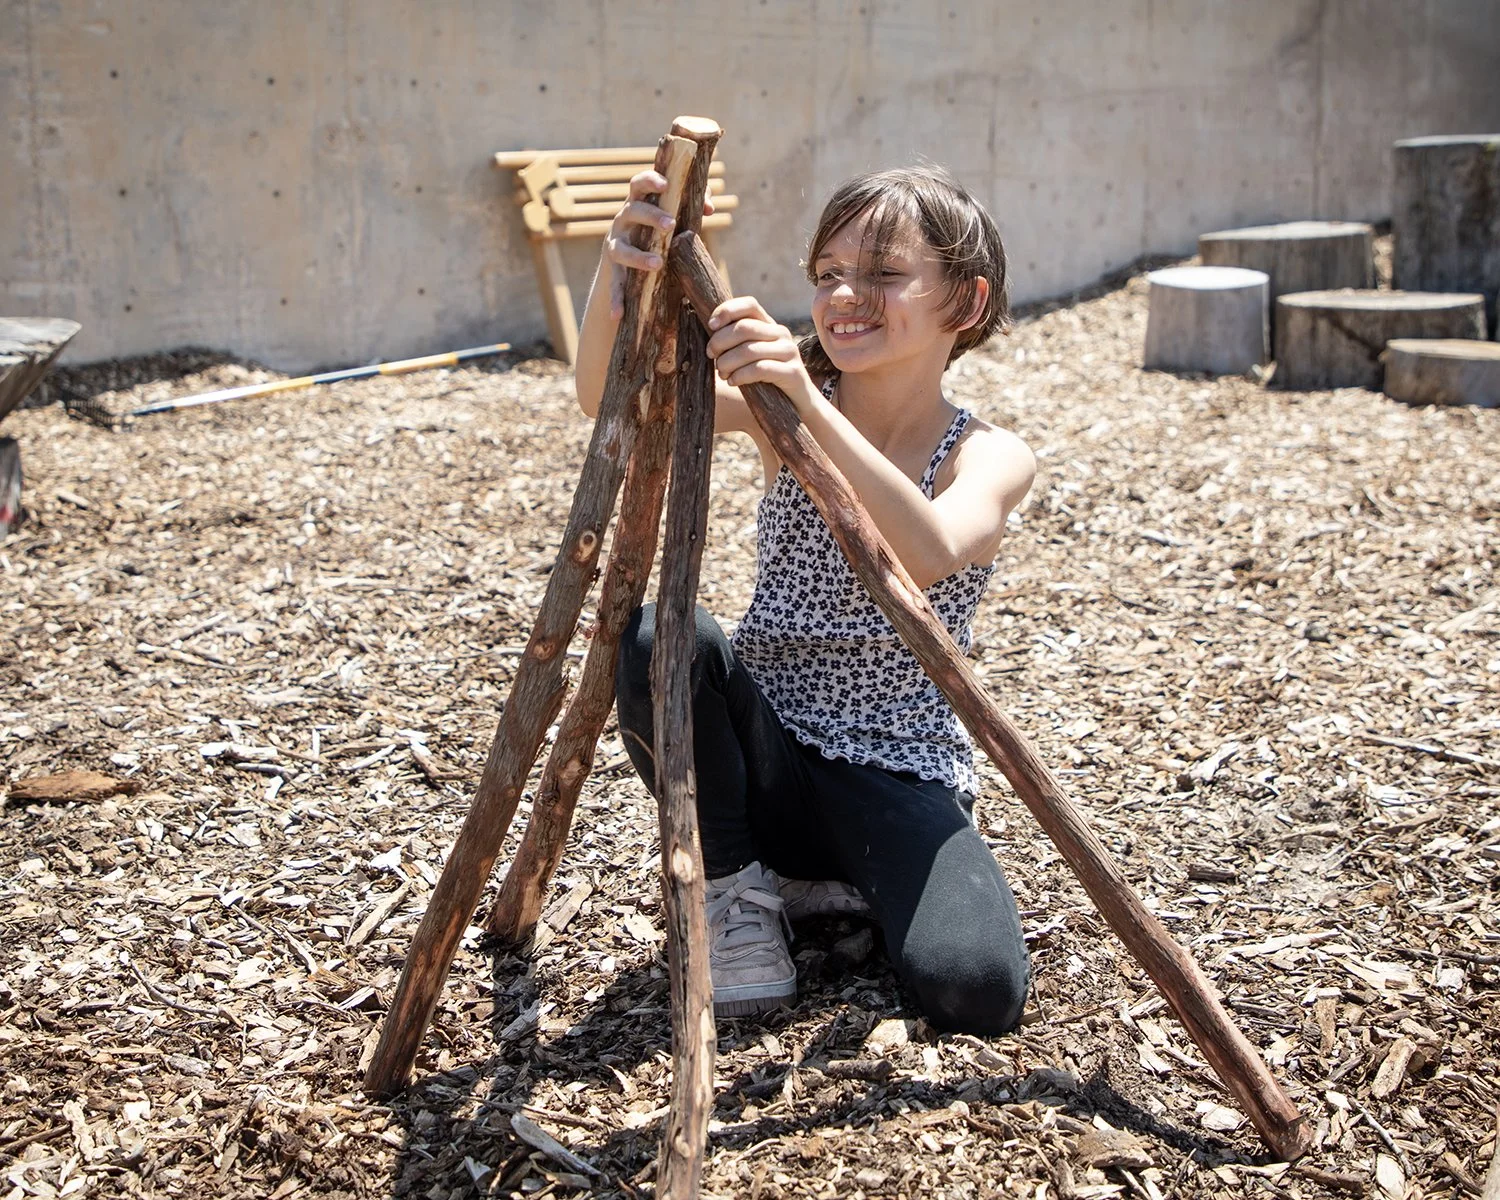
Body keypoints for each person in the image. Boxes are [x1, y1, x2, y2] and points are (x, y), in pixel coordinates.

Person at [572, 163, 1037, 1035]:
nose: (847, 296)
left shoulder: (988, 454)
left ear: (966, 303)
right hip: (763, 755)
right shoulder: (776, 409)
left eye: (885, 274)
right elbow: (611, 399)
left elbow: (924, 553)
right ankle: (738, 886)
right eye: (828, 275)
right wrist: (620, 267)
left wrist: (805, 410)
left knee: (974, 990)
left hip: (895, 768)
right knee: (655, 638)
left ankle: (832, 882)